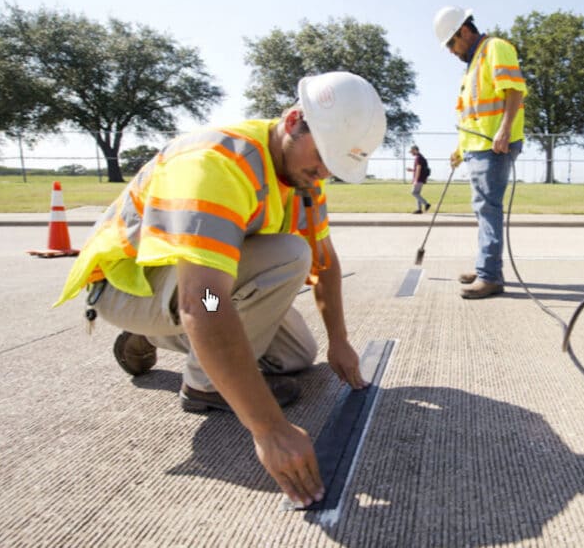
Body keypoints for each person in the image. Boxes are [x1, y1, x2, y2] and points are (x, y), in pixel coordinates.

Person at [53, 71, 387, 508]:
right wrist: (268, 429)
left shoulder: (305, 177)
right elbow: (203, 302)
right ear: (292, 121)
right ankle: (202, 385)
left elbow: (325, 260)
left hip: (204, 284)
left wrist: (339, 341)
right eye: (322, 155)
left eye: (335, 166)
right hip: (133, 283)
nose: (323, 171)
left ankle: (155, 336)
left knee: (294, 356)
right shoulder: (217, 162)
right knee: (283, 258)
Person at [433, 6, 528, 299]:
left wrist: (504, 130)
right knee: (483, 210)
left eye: (451, 43)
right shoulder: (473, 64)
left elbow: (514, 90)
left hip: (494, 146)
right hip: (476, 147)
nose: (450, 51)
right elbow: (472, 115)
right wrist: (459, 150)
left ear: (464, 31)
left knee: (488, 210)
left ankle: (490, 277)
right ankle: (485, 266)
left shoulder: (494, 48)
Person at [406, 144, 431, 214]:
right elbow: (420, 169)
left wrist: (415, 180)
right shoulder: (422, 157)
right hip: (422, 178)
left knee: (413, 193)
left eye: (412, 151)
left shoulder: (418, 158)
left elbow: (419, 169)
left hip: (419, 179)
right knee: (417, 193)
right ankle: (419, 209)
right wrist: (412, 170)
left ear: (415, 150)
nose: (411, 153)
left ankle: (426, 204)